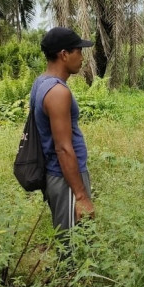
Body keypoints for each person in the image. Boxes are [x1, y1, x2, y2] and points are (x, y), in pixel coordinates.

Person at [32, 27, 96, 235]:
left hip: (57, 175)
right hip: (64, 178)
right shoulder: (58, 92)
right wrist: (81, 195)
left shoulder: (41, 82)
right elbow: (63, 148)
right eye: (79, 51)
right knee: (73, 246)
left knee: (76, 242)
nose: (82, 57)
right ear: (64, 54)